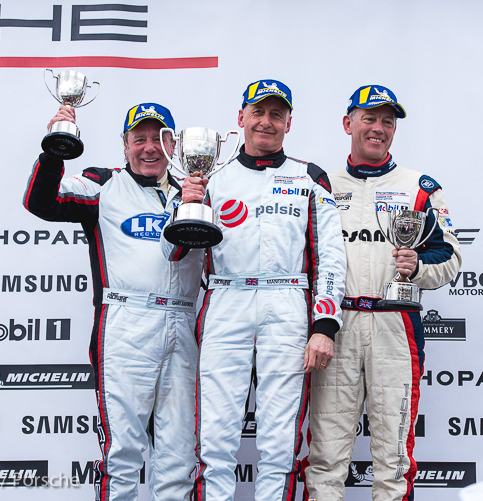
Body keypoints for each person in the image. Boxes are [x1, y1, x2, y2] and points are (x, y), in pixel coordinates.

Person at [163, 79, 347, 500]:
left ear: (288, 123)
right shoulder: (212, 176)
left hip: (287, 304)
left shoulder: (309, 177)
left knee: (280, 442)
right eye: (258, 112)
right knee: (215, 438)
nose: (266, 122)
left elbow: (330, 258)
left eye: (276, 114)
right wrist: (186, 204)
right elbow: (173, 254)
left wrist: (325, 325)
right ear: (240, 118)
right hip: (225, 299)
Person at [23, 102, 202, 501]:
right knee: (121, 454)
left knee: (179, 457)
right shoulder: (103, 183)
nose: (151, 147)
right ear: (125, 145)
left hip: (184, 325)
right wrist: (56, 146)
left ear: (176, 144)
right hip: (126, 324)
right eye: (140, 139)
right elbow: (42, 202)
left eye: (160, 138)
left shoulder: (195, 191)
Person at [304, 85, 462, 501]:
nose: (378, 128)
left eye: (387, 122)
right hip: (335, 326)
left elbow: (450, 255)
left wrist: (419, 268)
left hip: (396, 325)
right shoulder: (319, 184)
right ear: (348, 124)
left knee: (393, 458)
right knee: (325, 456)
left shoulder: (420, 187)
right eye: (369, 118)